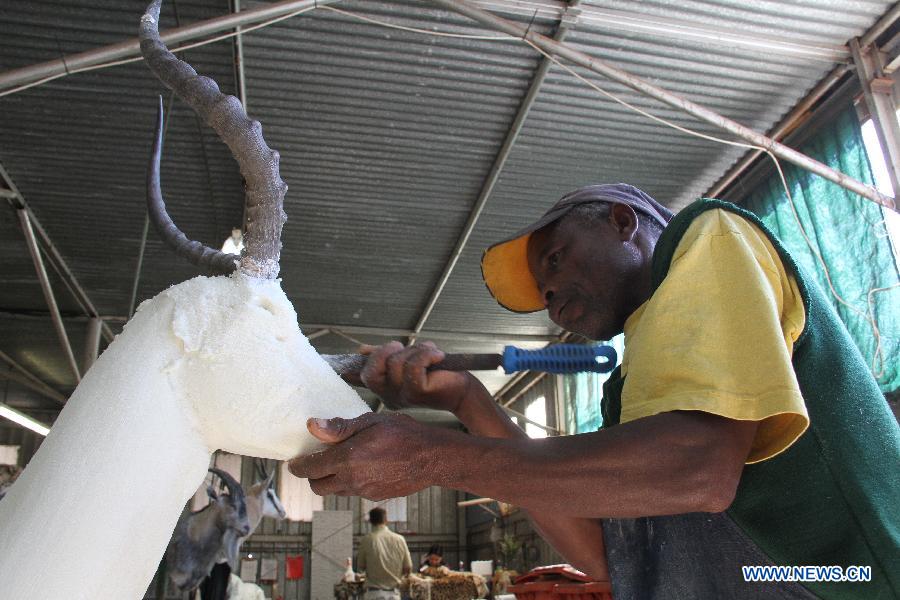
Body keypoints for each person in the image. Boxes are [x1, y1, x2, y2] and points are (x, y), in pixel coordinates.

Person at [290, 184, 900, 599]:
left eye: (554, 261)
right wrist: (468, 402)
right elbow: (608, 554)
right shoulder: (633, 394)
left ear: (622, 221)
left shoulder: (710, 237)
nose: (550, 297)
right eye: (542, 293)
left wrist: (431, 457)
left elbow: (698, 471)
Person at [356, 507, 412, 600]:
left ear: (370, 521)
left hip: (373, 594)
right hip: (394, 594)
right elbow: (408, 567)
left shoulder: (367, 540)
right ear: (386, 520)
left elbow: (361, 566)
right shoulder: (400, 539)